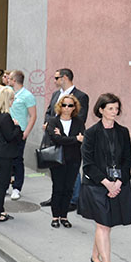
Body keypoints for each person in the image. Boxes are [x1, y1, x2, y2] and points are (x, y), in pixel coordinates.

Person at [78, 93, 131, 262]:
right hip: (96, 185)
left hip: (118, 184)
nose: (114, 112)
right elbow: (89, 163)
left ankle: (95, 255)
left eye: (116, 109)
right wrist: (107, 183)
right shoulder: (91, 133)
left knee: (105, 225)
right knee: (103, 224)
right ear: (101, 110)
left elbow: (127, 161)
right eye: (110, 108)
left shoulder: (123, 132)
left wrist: (118, 182)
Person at [41, 68, 90, 208]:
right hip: (53, 140)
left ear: (65, 78)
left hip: (70, 142)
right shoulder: (56, 94)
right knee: (55, 170)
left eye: (56, 78)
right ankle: (56, 197)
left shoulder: (81, 96)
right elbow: (49, 112)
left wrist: (61, 133)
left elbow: (80, 119)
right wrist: (49, 125)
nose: (55, 81)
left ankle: (73, 200)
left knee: (71, 173)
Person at [45, 94, 85, 228]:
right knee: (58, 188)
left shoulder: (79, 122)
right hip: (57, 160)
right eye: (64, 105)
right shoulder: (53, 121)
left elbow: (82, 140)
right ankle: (55, 216)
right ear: (60, 106)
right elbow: (56, 139)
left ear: (74, 108)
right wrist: (74, 139)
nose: (67, 108)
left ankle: (64, 216)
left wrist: (63, 137)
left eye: (70, 105)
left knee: (69, 188)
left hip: (74, 159)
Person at [0, 87, 24, 223]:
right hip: (4, 154)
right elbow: (11, 137)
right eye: (12, 99)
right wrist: (17, 127)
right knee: (2, 185)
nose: (13, 101)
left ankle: (0, 210)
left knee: (0, 184)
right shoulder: (5, 117)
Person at [8, 70, 37, 201]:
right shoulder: (9, 92)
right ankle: (5, 185)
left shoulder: (27, 95)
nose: (7, 80)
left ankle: (17, 188)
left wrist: (26, 132)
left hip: (20, 132)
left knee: (17, 160)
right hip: (7, 131)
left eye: (9, 78)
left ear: (14, 80)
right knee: (6, 161)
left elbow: (33, 116)